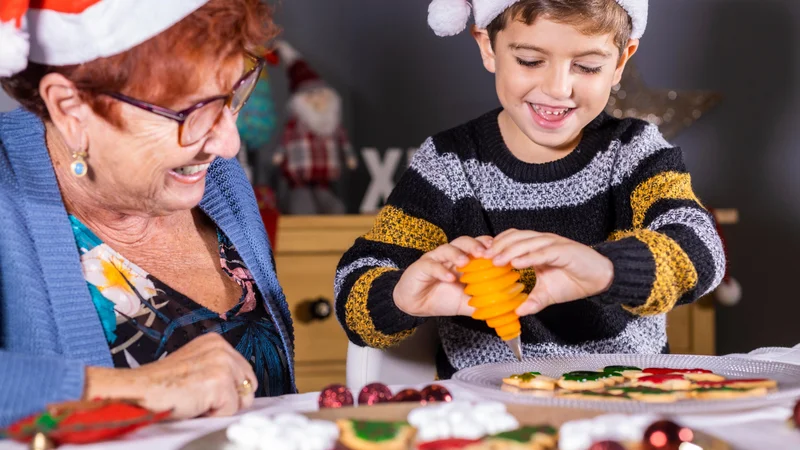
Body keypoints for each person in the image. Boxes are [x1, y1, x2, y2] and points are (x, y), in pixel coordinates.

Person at [334, 0, 726, 379]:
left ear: (621, 61)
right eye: (530, 61)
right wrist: (402, 296)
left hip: (625, 399)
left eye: (587, 67)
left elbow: (702, 251)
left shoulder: (634, 152)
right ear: (488, 46)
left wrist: (606, 270)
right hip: (490, 414)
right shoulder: (447, 164)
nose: (558, 89)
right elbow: (357, 280)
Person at [0, 0, 295, 426]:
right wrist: (131, 391)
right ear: (69, 108)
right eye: (192, 111)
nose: (229, 144)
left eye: (234, 92)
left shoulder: (216, 176)